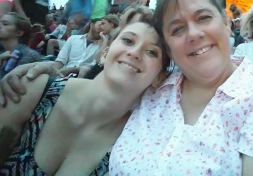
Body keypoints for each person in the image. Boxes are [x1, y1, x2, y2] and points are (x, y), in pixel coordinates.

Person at [1, 0, 253, 176]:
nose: (193, 33)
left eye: (204, 17)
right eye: (177, 29)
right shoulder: (34, 89)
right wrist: (47, 69)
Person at [0, 18, 169, 175]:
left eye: (152, 52)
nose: (135, 52)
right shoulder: (33, 89)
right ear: (105, 53)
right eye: (128, 40)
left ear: (158, 78)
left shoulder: (131, 147)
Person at [0, 13, 41, 79]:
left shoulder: (28, 56)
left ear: (19, 33)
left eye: (5, 24)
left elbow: (7, 84)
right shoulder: (2, 53)